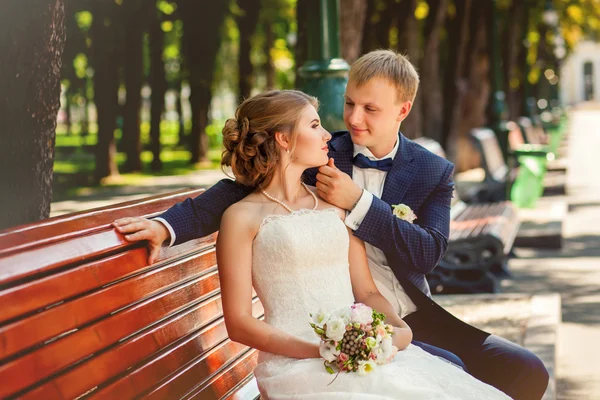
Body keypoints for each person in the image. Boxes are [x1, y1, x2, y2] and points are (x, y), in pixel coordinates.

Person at [113, 50, 548, 400]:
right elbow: (233, 193)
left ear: (403, 110)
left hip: (404, 310)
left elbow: (427, 253)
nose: (354, 120)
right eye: (349, 104)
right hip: (324, 330)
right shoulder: (323, 152)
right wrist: (166, 225)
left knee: (525, 371)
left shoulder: (431, 170)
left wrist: (360, 203)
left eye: (370, 109)